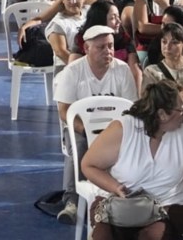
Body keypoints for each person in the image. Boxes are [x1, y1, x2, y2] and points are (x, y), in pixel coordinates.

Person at [81, 80, 183, 239]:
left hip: (167, 207)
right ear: (162, 114)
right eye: (182, 110)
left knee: (156, 235)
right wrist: (116, 187)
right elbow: (89, 165)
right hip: (121, 207)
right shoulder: (123, 129)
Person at [52, 25, 138, 223]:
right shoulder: (73, 71)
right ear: (86, 49)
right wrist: (88, 132)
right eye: (101, 47)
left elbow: (131, 109)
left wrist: (111, 135)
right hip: (80, 128)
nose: (108, 51)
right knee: (79, 145)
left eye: (110, 46)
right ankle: (72, 201)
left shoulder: (123, 70)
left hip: (116, 130)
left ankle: (124, 194)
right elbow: (64, 111)